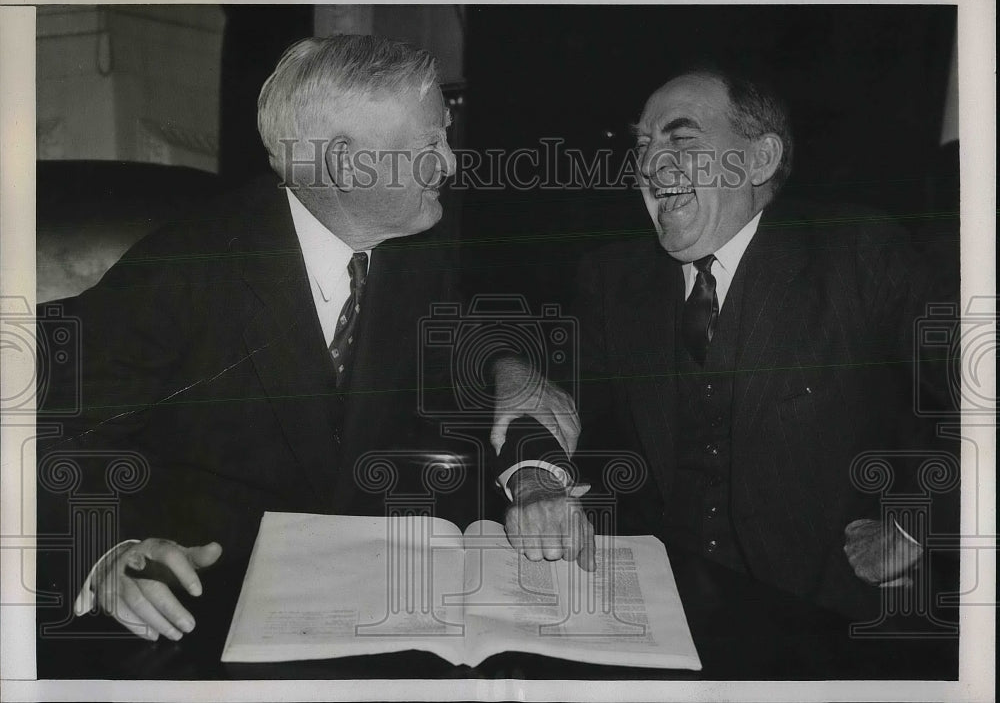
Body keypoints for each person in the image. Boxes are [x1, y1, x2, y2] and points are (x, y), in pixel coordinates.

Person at [36, 35, 578, 643]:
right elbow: (55, 433)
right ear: (346, 164)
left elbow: (472, 344)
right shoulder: (187, 266)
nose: (451, 164)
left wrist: (524, 433)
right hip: (204, 607)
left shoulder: (415, 247)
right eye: (430, 146)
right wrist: (110, 554)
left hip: (373, 596)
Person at [495, 68, 958, 619]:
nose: (649, 163)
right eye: (642, 145)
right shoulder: (614, 278)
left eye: (681, 140)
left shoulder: (857, 255)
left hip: (825, 620)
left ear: (760, 159)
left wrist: (914, 523)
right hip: (665, 603)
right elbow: (544, 390)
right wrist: (535, 481)